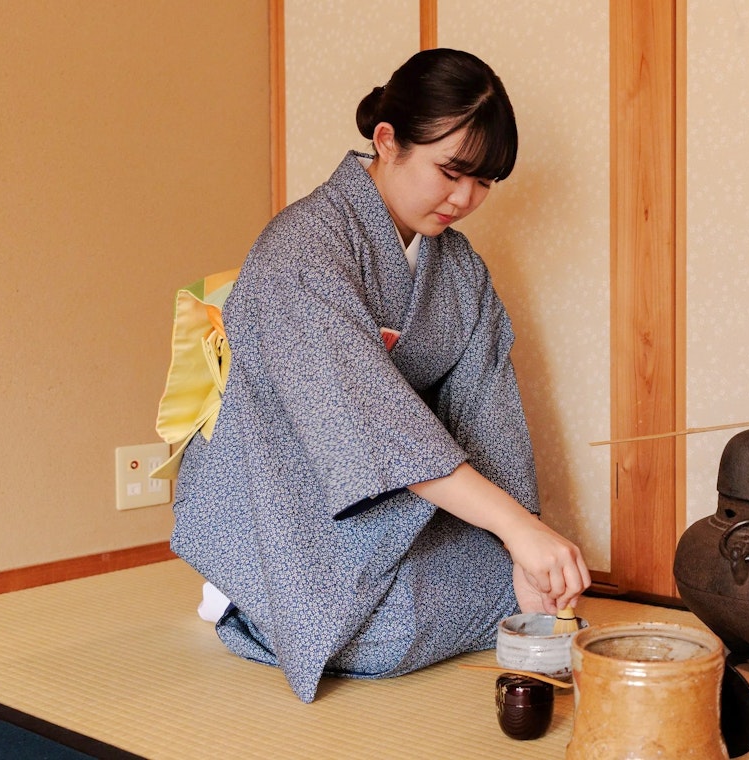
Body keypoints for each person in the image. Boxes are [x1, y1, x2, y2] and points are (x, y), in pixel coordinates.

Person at [167, 48, 591, 703]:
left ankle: (307, 600)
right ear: (388, 141)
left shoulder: (459, 270)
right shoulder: (302, 251)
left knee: (520, 590)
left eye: (484, 182)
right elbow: (367, 419)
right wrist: (514, 529)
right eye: (451, 171)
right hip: (279, 486)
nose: (465, 198)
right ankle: (241, 590)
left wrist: (521, 538)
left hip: (387, 493)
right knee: (397, 631)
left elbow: (487, 408)